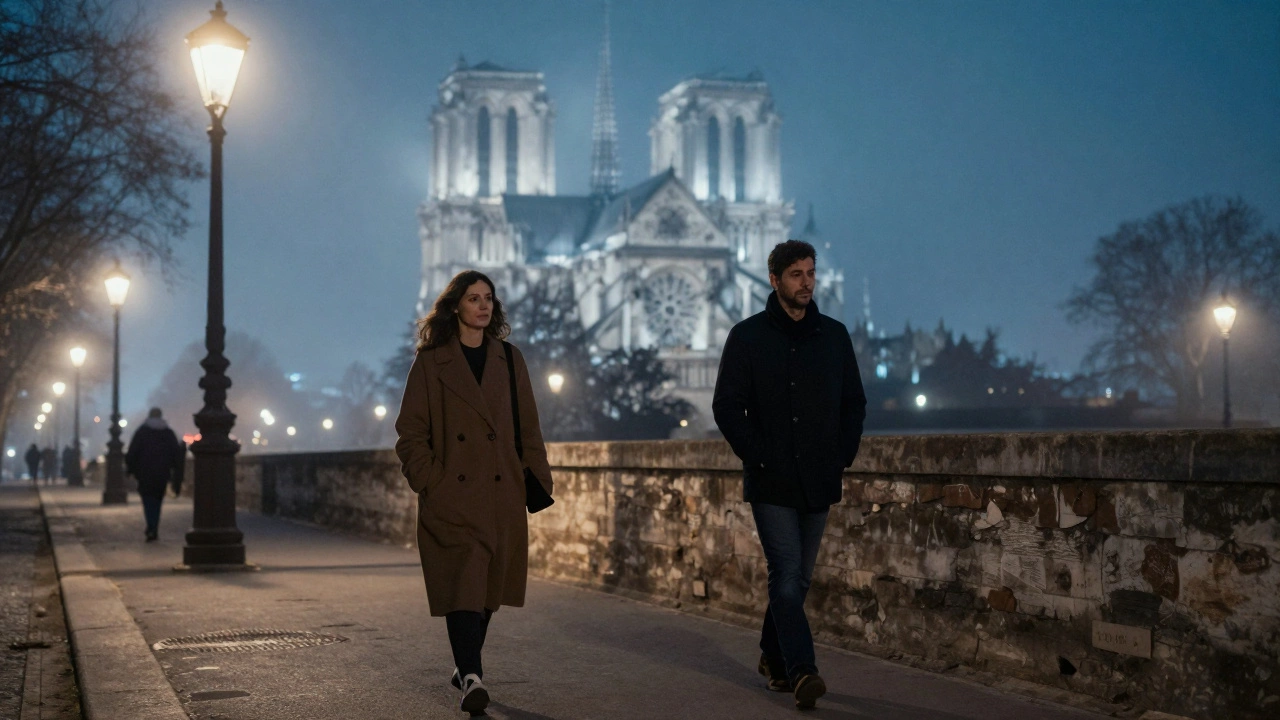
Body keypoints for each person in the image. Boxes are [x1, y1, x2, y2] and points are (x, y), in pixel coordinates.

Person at [712, 239, 867, 710]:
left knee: (799, 580)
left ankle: (772, 657)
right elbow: (726, 406)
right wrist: (758, 455)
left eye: (811, 273)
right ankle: (803, 670)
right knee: (784, 572)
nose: (807, 282)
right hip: (772, 477)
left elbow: (853, 403)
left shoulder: (834, 335)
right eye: (796, 274)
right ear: (775, 280)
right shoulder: (747, 335)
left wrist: (841, 455)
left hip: (819, 475)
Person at [395, 270, 553, 715]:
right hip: (454, 497)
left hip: (501, 493)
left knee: (487, 592)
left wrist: (538, 479)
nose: (483, 306)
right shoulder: (431, 363)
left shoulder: (509, 358)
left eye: (488, 298)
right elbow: (410, 434)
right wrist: (434, 483)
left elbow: (529, 427)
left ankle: (466, 663)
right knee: (463, 585)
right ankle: (471, 677)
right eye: (473, 299)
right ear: (455, 307)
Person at [125, 408, 183, 541]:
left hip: (144, 473)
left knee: (147, 500)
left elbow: (132, 452)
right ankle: (154, 526)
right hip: (162, 473)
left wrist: (130, 470)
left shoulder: (142, 432)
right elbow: (176, 454)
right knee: (157, 501)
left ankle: (150, 525)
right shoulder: (168, 433)